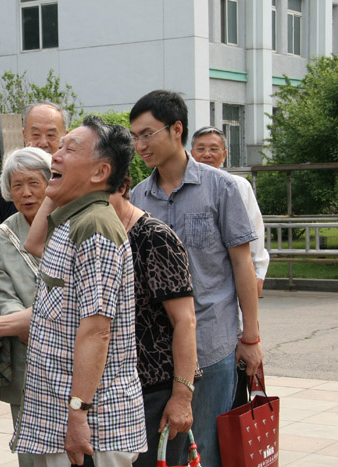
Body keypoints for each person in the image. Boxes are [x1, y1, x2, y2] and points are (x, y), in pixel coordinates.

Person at [128, 90, 263, 467]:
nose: (140, 145)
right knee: (164, 453)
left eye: (148, 134)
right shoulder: (138, 197)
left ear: (176, 129)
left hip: (212, 343)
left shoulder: (222, 188)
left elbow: (243, 265)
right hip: (158, 356)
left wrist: (251, 337)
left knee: (205, 450)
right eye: (135, 137)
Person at [12, 116, 147, 467]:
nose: (54, 155)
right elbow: (34, 244)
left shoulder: (95, 227)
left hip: (92, 428)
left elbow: (97, 331)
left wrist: (78, 413)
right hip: (61, 418)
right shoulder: (74, 217)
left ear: (100, 172)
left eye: (69, 149)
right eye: (59, 148)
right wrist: (57, 188)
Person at [108, 173, 197, 467]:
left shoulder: (154, 237)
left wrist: (181, 397)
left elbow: (185, 321)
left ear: (122, 187)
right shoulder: (98, 235)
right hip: (113, 391)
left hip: (156, 390)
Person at [0, 146, 52, 467]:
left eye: (34, 183)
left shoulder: (72, 224)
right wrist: (40, 325)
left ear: (50, 184)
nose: (25, 193)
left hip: (78, 360)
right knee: (33, 457)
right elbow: (4, 299)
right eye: (17, 186)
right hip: (28, 360)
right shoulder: (0, 237)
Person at [190, 126, 269, 297]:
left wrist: (258, 273)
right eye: (201, 149)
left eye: (214, 149)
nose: (207, 154)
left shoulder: (238, 186)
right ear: (191, 153)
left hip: (232, 275)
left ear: (224, 155)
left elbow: (255, 230)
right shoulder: (183, 188)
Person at [0, 101, 68, 227]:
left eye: (51, 135)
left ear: (65, 137)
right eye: (36, 135)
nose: (43, 143)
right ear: (24, 135)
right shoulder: (6, 183)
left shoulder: (74, 182)